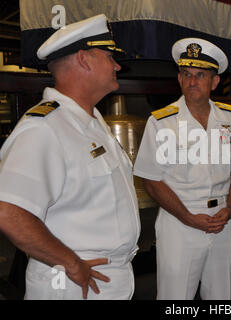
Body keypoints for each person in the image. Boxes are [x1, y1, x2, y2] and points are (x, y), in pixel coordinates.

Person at [0, 14, 140, 300]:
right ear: (84, 59)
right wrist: (71, 263)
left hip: (104, 278)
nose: (117, 65)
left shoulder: (90, 121)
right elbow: (9, 213)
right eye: (109, 56)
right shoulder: (44, 127)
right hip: (73, 283)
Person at [134, 38, 231, 300]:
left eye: (200, 75)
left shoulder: (229, 117)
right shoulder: (162, 122)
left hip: (223, 220)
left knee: (223, 297)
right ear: (179, 79)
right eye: (186, 74)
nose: (192, 81)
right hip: (180, 223)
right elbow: (151, 180)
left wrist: (230, 207)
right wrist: (188, 217)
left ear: (214, 82)